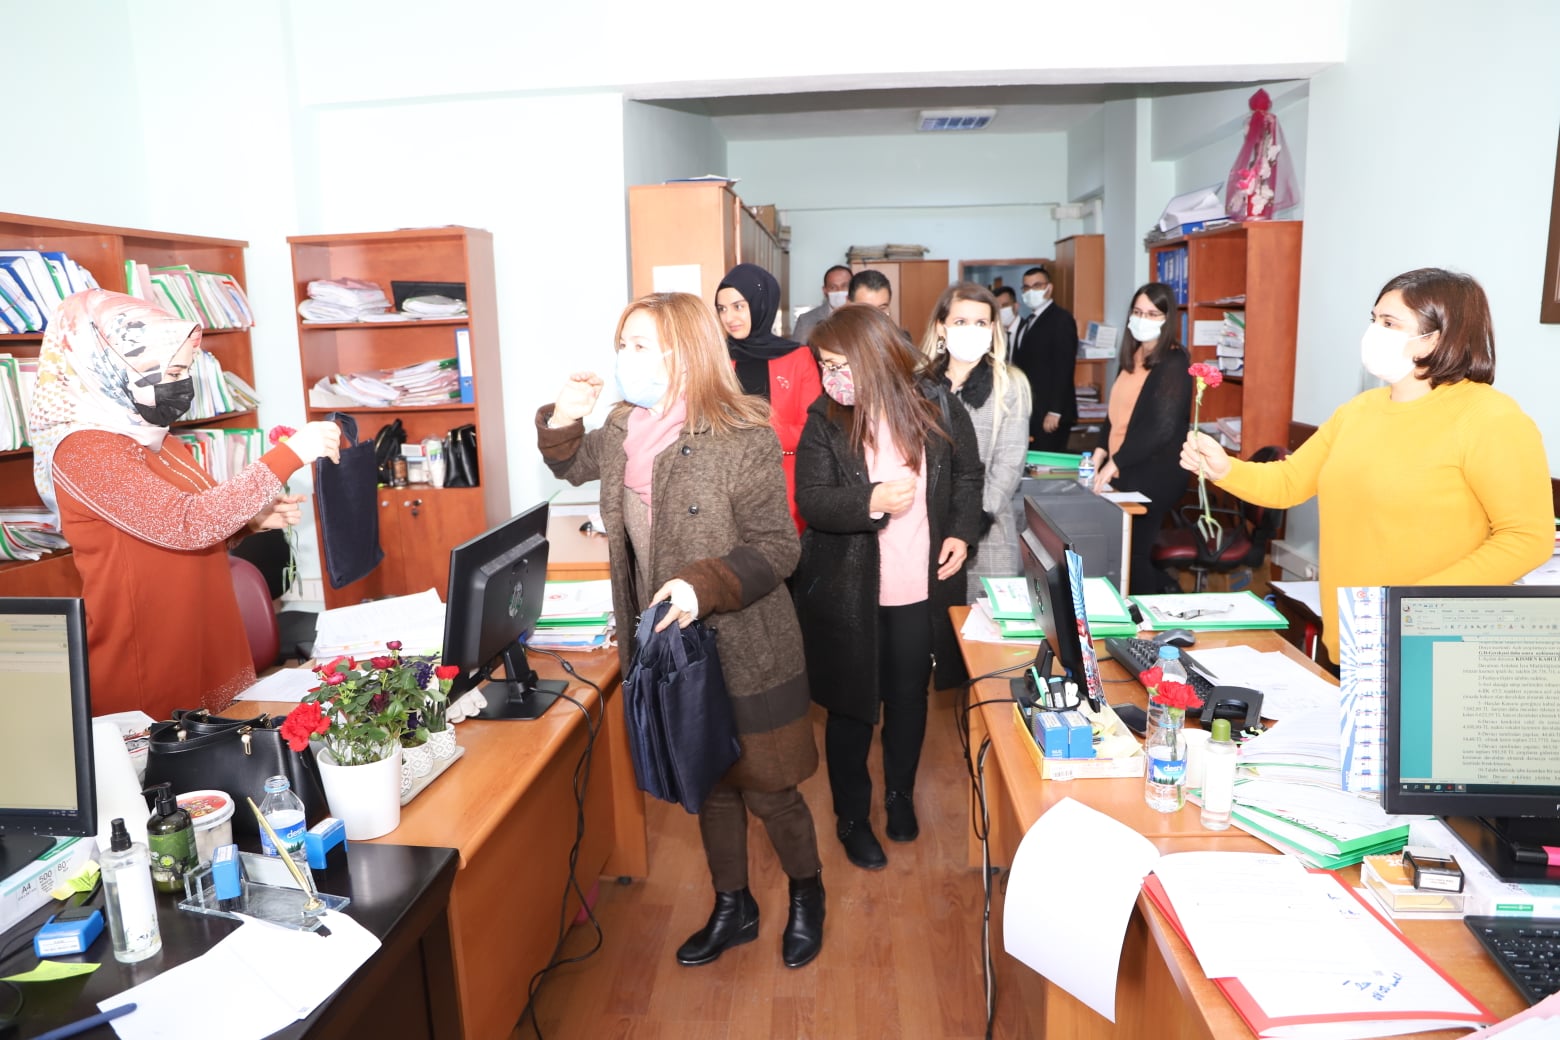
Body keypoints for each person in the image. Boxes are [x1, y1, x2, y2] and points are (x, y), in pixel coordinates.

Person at [537, 292, 825, 969]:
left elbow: (778, 547)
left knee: (770, 790)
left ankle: (807, 892)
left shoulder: (742, 435)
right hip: (669, 648)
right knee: (711, 787)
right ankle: (734, 906)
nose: (624, 358)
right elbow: (570, 463)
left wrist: (704, 584)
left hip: (746, 643)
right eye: (623, 344)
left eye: (639, 345)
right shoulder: (625, 427)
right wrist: (564, 415)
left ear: (685, 352)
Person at [1181, 267, 1552, 662]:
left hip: (1432, 645)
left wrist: (1412, 603)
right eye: (1374, 319)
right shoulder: (1358, 411)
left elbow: (1527, 537)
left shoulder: (1489, 417)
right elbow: (1289, 481)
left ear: (1436, 337)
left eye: (1390, 323)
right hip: (1354, 636)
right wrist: (1225, 469)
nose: (1374, 331)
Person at [28, 290, 342, 721]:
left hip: (207, 637)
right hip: (149, 658)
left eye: (185, 370)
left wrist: (249, 522)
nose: (181, 383)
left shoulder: (157, 438)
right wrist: (289, 455)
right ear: (110, 366)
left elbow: (197, 519)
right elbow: (186, 525)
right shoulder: (85, 451)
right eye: (172, 371)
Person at [792, 305, 983, 870]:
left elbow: (968, 474)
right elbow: (812, 500)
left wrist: (961, 532)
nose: (831, 377)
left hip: (920, 587)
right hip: (850, 592)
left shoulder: (937, 404)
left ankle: (899, 795)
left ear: (873, 356)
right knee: (851, 709)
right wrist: (869, 500)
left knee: (907, 699)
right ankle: (852, 818)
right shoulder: (826, 419)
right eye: (824, 366)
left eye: (840, 364)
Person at [918, 282, 1032, 602]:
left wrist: (965, 527)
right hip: (923, 532)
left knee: (984, 623)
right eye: (960, 322)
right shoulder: (918, 384)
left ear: (993, 328)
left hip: (987, 533)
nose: (971, 330)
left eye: (981, 322)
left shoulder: (1010, 384)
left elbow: (1008, 466)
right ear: (941, 327)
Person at [1089, 282, 1192, 596]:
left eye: (1152, 313)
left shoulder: (1174, 362)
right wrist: (1100, 451)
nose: (1142, 319)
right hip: (1125, 467)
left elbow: (1160, 428)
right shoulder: (1133, 356)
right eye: (1137, 312)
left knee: (1133, 557)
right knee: (1118, 554)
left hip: (1154, 474)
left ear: (1167, 319)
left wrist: (1116, 462)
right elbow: (1115, 413)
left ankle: (1149, 615)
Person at [715, 263, 823, 532]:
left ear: (761, 304)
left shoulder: (798, 358)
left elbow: (811, 430)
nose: (729, 317)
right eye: (722, 309)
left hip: (786, 483)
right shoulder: (717, 360)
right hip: (729, 486)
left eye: (738, 306)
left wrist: (749, 433)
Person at [1008, 265, 1079, 451]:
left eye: (1037, 286)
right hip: (1033, 410)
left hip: (1050, 413)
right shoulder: (1029, 321)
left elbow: (1064, 367)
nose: (1031, 291)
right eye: (1026, 287)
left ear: (1049, 288)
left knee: (1047, 462)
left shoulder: (1060, 319)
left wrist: (1055, 411)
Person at [792, 264, 853, 345]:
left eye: (845, 286)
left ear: (853, 287)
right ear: (825, 291)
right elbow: (799, 351)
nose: (839, 291)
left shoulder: (864, 317)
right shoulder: (806, 321)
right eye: (833, 287)